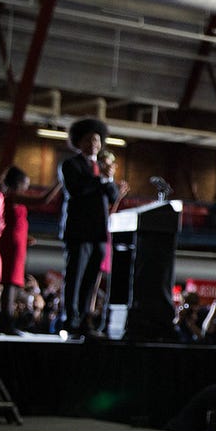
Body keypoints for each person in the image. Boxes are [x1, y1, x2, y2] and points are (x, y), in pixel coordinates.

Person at [57, 117, 126, 336]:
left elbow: (113, 195)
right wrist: (101, 179)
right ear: (79, 142)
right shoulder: (70, 165)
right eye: (88, 140)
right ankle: (70, 318)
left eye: (97, 140)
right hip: (78, 231)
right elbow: (76, 189)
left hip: (98, 232)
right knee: (75, 277)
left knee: (92, 278)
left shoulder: (101, 168)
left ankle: (86, 317)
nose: (93, 144)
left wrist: (109, 179)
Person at [0, 165, 33, 334]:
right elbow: (43, 200)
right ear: (17, 184)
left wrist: (20, 235)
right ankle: (7, 324)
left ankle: (5, 322)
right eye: (25, 184)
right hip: (12, 242)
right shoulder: (14, 197)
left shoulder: (0, 197)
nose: (27, 188)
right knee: (11, 283)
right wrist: (59, 183)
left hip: (5, 239)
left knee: (9, 281)